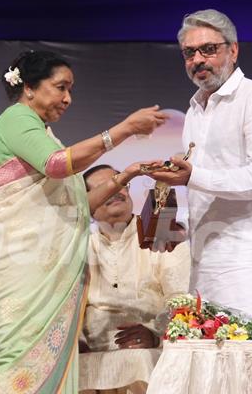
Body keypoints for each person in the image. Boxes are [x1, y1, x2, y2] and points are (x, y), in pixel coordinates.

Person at [0, 50, 167, 394]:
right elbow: (58, 164)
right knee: (15, 367)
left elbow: (78, 208)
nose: (67, 98)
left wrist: (125, 176)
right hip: (19, 267)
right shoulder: (16, 119)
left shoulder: (44, 134)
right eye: (60, 87)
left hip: (40, 273)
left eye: (70, 89)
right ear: (29, 87)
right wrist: (125, 129)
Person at [147, 9, 252, 339]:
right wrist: (178, 228)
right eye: (190, 53)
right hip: (206, 263)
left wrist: (193, 176)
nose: (198, 60)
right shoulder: (195, 110)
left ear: (233, 50)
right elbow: (208, 192)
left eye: (209, 49)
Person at [79, 165, 190, 394]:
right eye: (104, 188)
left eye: (120, 182)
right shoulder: (80, 250)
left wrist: (154, 334)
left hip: (149, 351)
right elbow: (66, 309)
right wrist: (76, 343)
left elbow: (181, 301)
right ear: (88, 205)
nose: (116, 190)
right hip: (93, 353)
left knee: (138, 360)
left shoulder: (162, 237)